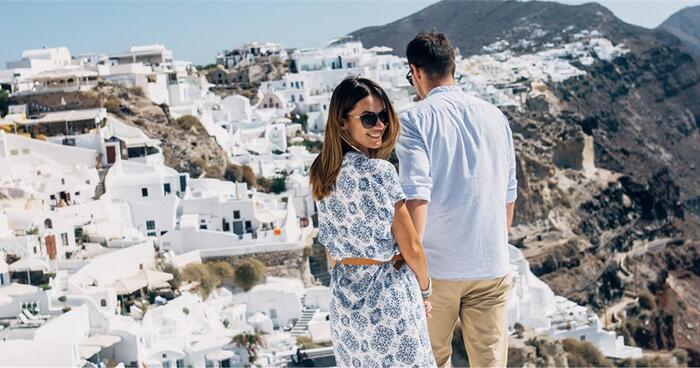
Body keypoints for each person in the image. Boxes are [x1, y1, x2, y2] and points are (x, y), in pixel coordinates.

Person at [396, 32, 518, 368]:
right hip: (491, 265)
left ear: (416, 71)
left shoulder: (414, 119)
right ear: (453, 66)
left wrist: (412, 263)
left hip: (439, 269)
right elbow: (509, 195)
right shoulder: (497, 117)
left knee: (431, 360)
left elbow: (417, 194)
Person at [310, 76, 436, 367]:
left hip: (345, 302)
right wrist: (425, 290)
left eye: (382, 116)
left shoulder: (321, 172)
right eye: (368, 118)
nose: (380, 125)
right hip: (388, 299)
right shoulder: (379, 172)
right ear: (343, 122)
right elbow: (412, 248)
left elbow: (331, 251)